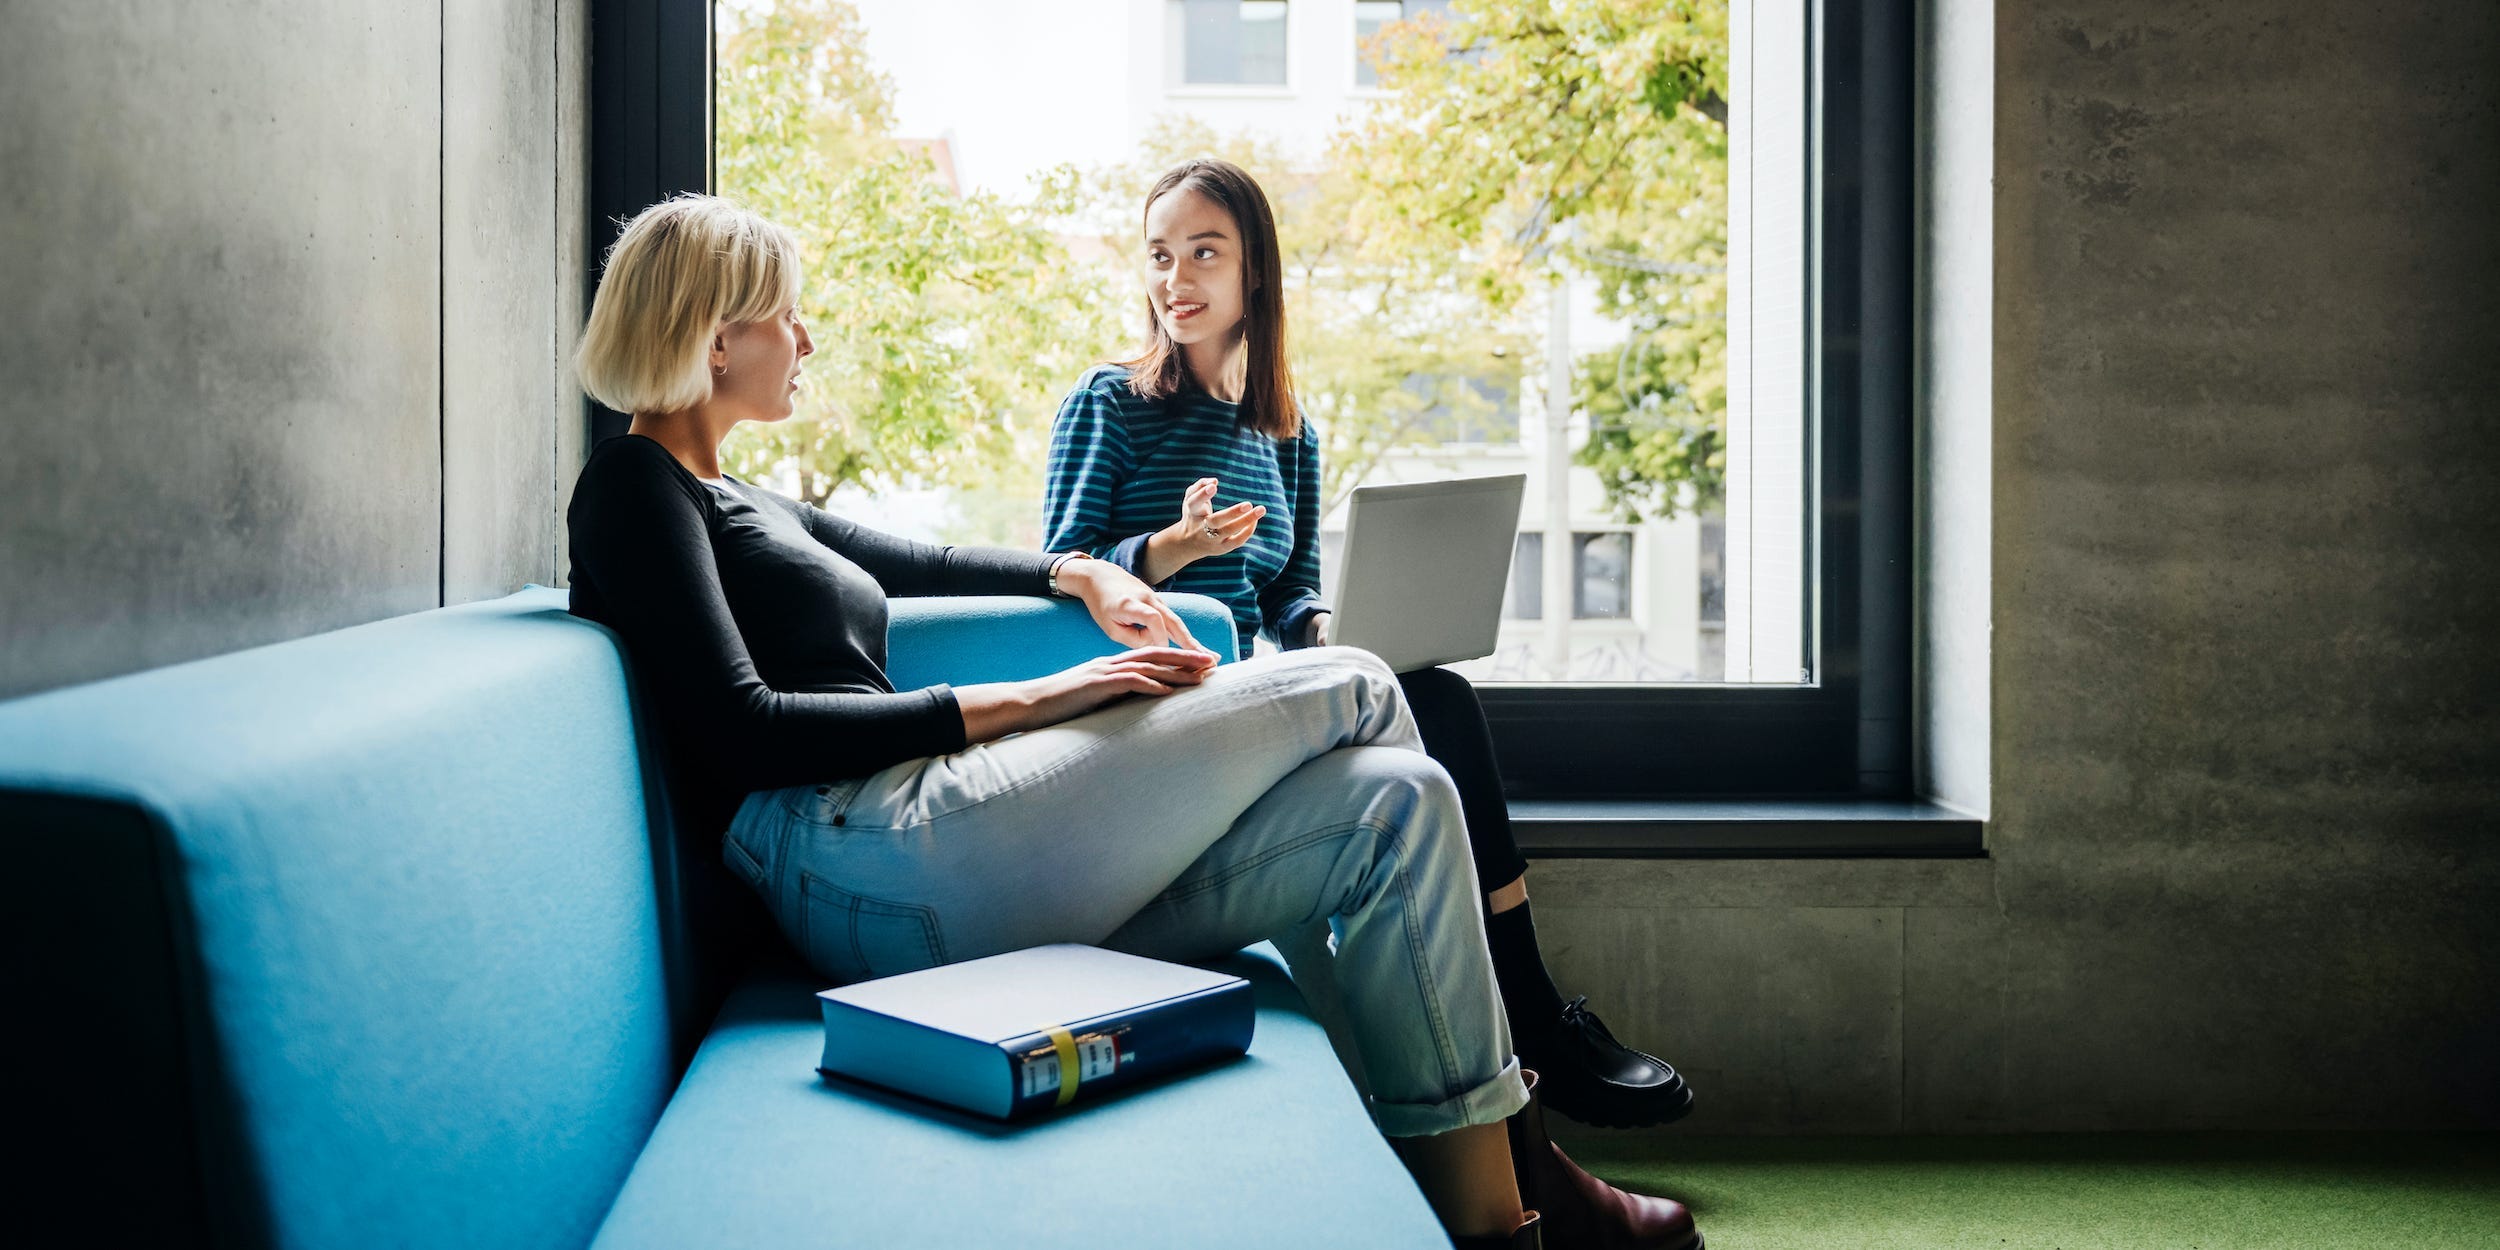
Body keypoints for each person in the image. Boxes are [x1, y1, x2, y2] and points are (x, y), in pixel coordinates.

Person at [564, 194, 1698, 1250]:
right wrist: (1058, 692)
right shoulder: (632, 484)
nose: (806, 339)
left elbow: (938, 558)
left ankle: (1503, 1211)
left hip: (924, 856)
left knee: (1397, 804)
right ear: (718, 340)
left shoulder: (744, 496)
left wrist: (1086, 577)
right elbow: (742, 728)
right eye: (786, 318)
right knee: (1360, 682)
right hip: (855, 853)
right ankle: (1527, 1116)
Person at [1043, 159, 1692, 1132]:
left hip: (1244, 695)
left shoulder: (1286, 432)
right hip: (1147, 706)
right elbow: (1056, 565)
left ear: (1253, 270)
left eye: (1202, 253)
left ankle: (1525, 1019)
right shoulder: (1110, 402)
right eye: (1159, 255)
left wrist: (1326, 632)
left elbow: (1285, 592)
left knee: (1434, 691)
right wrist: (1169, 549)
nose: (1174, 278)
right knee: (1434, 711)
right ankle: (1535, 1021)